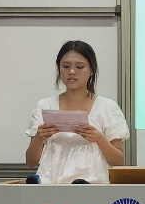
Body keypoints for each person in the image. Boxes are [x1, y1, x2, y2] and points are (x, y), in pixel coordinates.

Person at [25, 40, 128, 184]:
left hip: (92, 187)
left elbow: (119, 161)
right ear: (59, 69)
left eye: (80, 67)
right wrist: (38, 137)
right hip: (49, 187)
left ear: (91, 70)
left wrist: (99, 138)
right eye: (66, 66)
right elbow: (31, 162)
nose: (72, 72)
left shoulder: (107, 107)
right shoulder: (44, 105)